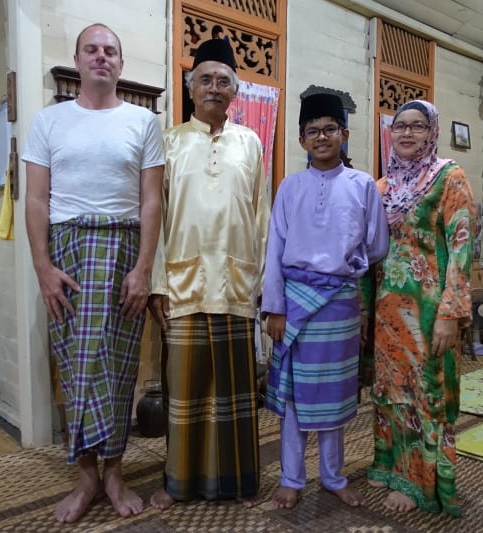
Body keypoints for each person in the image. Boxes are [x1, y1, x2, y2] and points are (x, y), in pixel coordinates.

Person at [22, 23, 164, 523]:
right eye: (92, 50)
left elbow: (151, 201)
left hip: (124, 248)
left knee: (120, 367)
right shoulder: (49, 121)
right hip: (68, 251)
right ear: (78, 60)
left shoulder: (143, 122)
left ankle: (114, 471)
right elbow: (36, 199)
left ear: (121, 65)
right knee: (76, 365)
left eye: (110, 51)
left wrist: (144, 269)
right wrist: (43, 267)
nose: (101, 57)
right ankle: (86, 475)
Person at [148, 38, 270, 510]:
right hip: (183, 283)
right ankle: (178, 482)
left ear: (235, 90)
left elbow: (262, 216)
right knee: (186, 392)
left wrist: (263, 283)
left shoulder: (250, 143)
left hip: (237, 285)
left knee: (236, 393)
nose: (214, 88)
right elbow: (154, 217)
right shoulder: (170, 142)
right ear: (190, 86)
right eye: (205, 79)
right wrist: (158, 282)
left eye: (223, 80)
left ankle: (237, 482)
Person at [262, 93, 389, 510]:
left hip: (338, 302)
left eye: (329, 129)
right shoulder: (289, 186)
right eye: (312, 131)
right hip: (294, 306)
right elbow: (274, 248)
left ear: (345, 135)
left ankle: (333, 477)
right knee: (296, 399)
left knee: (334, 397)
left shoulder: (363, 185)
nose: (321, 137)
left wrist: (338, 268)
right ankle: (291, 478)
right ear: (302, 140)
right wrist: (274, 306)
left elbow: (376, 245)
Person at [362, 100, 475, 516]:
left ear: (432, 132)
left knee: (423, 393)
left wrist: (451, 313)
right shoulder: (382, 188)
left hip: (429, 313)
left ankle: (418, 483)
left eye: (418, 126)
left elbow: (462, 248)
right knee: (389, 391)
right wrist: (362, 308)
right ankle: (389, 464)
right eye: (399, 127)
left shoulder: (449, 177)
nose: (407, 134)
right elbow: (367, 253)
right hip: (387, 311)